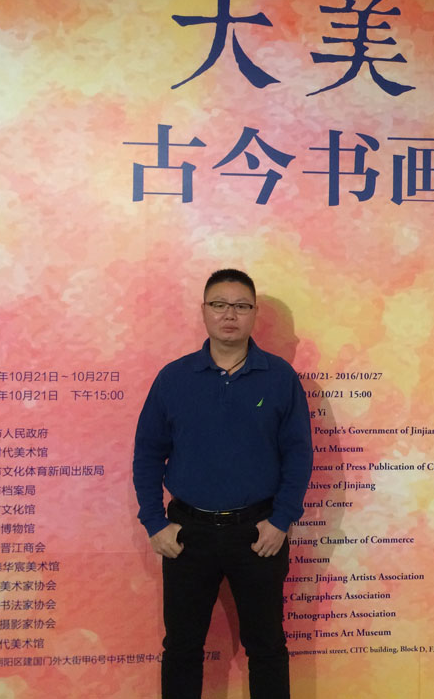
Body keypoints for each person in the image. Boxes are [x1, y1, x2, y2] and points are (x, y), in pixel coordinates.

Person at [133, 269, 313, 699]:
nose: (229, 314)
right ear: (204, 311)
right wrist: (155, 523)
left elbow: (298, 454)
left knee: (267, 648)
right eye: (219, 304)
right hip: (187, 534)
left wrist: (281, 520)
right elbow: (148, 454)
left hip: (259, 533)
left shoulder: (280, 377)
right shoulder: (174, 378)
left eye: (241, 306)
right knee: (181, 649)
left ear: (254, 314)